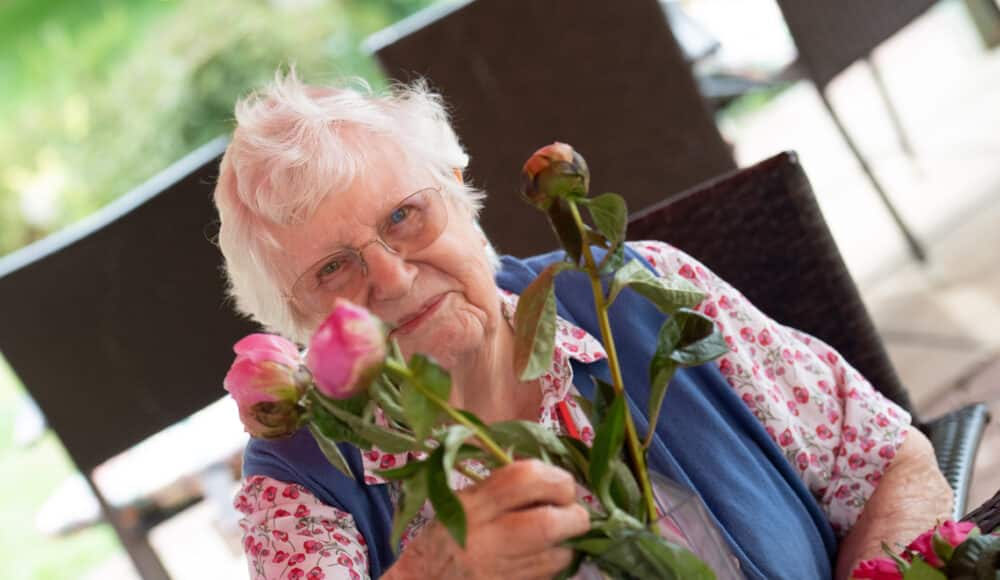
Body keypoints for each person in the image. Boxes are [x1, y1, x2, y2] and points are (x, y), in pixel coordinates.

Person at [213, 71, 951, 580]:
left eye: (405, 215)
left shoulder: (637, 290)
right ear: (296, 323)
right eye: (333, 269)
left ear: (459, 192)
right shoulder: (301, 487)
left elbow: (886, 461)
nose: (394, 277)